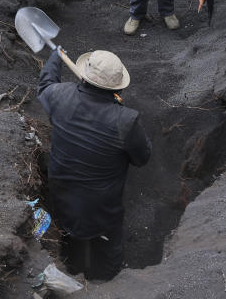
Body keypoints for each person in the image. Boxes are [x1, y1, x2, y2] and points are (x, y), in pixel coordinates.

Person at [37, 48, 151, 280]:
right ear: (118, 88)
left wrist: (55, 57)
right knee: (107, 246)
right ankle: (107, 280)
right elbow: (142, 158)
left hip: (62, 192)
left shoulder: (59, 96)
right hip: (102, 206)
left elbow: (46, 83)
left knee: (69, 233)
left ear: (84, 75)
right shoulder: (126, 120)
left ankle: (73, 267)